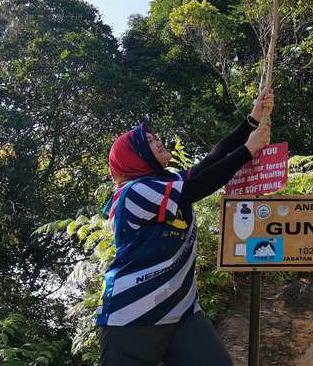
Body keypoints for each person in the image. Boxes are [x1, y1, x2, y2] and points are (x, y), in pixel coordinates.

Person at [97, 88, 274, 366]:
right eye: (151, 141)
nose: (158, 141)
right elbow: (198, 186)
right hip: (133, 316)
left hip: (181, 311)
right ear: (137, 156)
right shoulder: (134, 191)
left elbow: (210, 162)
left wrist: (251, 120)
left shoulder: (166, 184)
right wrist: (248, 150)